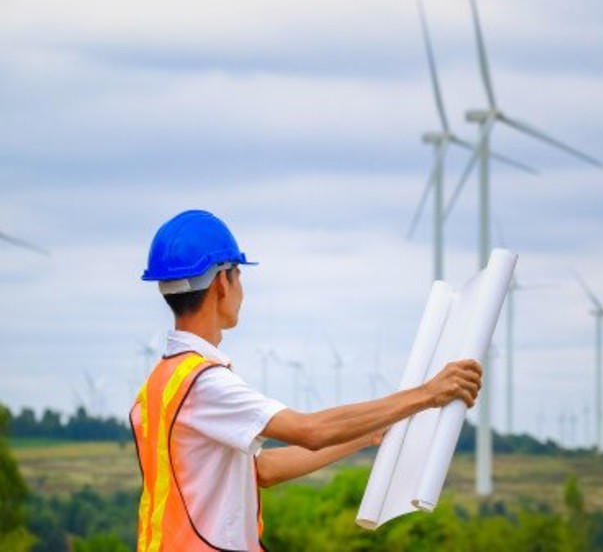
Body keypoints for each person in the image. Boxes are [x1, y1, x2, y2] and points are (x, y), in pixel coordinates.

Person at [130, 209, 482, 551]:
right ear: (224, 281)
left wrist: (366, 434)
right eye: (240, 275)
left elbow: (262, 470)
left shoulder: (162, 385)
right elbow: (310, 430)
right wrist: (429, 393)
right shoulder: (205, 384)